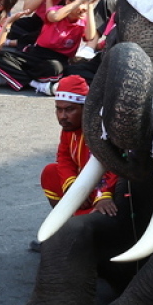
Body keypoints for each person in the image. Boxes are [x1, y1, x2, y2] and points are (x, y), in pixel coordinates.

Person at [0, 0, 101, 93]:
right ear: (68, 2)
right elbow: (54, 17)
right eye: (83, 4)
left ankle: (13, 76)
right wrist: (79, 2)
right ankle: (35, 83)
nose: (84, 8)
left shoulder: (84, 19)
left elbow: (90, 37)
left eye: (87, 4)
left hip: (58, 61)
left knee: (55, 68)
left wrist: (90, 6)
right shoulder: (56, 10)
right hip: (36, 53)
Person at [38, 75, 118, 217]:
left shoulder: (101, 129)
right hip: (81, 186)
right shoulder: (69, 127)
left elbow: (113, 163)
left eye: (69, 109)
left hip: (104, 190)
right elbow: (64, 157)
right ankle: (65, 218)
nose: (62, 116)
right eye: (59, 109)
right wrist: (73, 189)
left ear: (85, 109)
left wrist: (103, 195)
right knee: (50, 172)